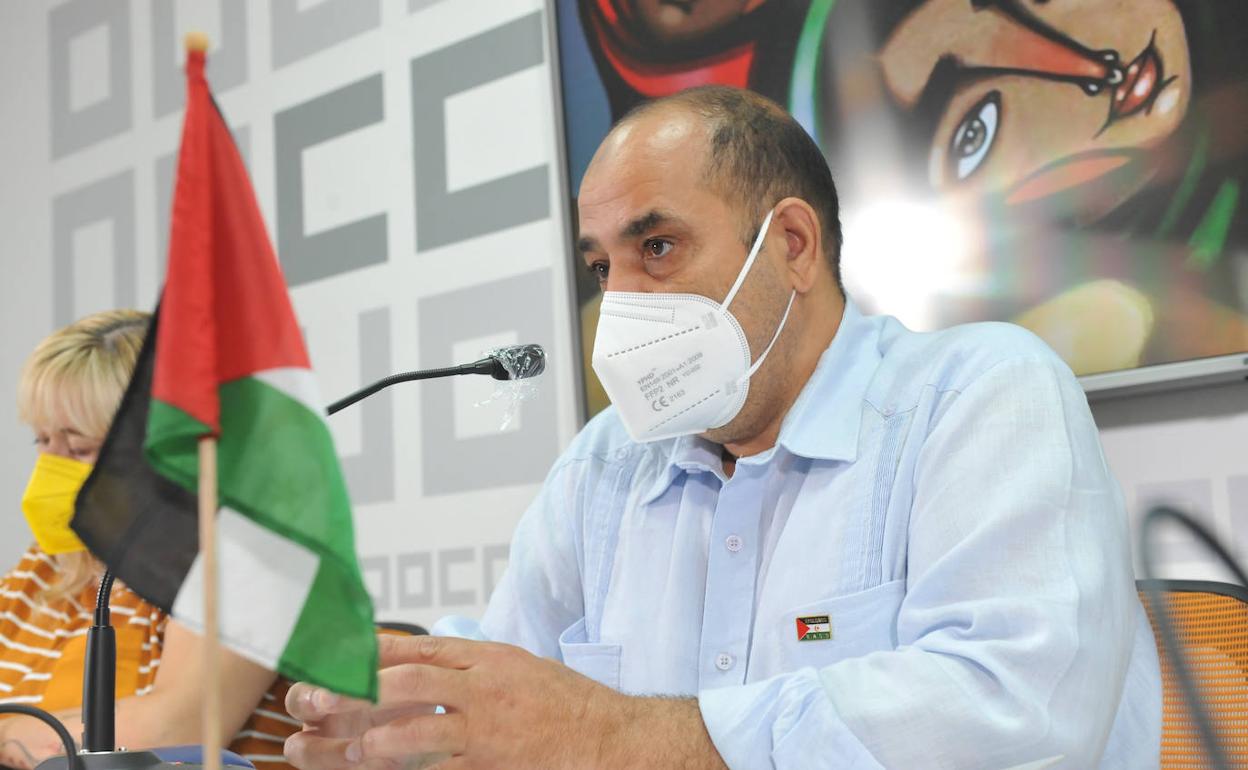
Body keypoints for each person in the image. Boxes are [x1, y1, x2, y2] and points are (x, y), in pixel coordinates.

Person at [283, 87, 1161, 768]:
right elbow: (513, 695)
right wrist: (402, 712)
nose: (617, 302)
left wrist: (614, 739)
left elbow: (1018, 718)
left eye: (656, 247)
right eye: (601, 266)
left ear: (792, 246)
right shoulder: (604, 468)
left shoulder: (981, 397)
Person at [0, 310, 299, 770]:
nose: (50, 467)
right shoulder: (44, 565)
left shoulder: (246, 555)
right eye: (42, 441)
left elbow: (171, 730)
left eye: (78, 448)